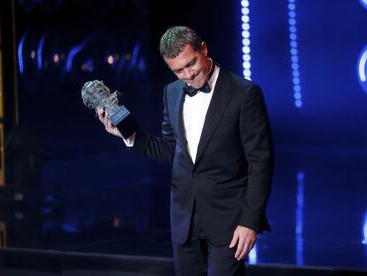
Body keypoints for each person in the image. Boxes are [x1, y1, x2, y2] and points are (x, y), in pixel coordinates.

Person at [97, 26, 273, 276]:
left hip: (229, 221)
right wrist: (128, 136)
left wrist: (250, 222)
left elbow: (260, 163)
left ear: (204, 49)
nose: (188, 74)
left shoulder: (245, 94)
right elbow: (172, 151)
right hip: (184, 220)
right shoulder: (172, 92)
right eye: (178, 70)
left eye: (191, 63)